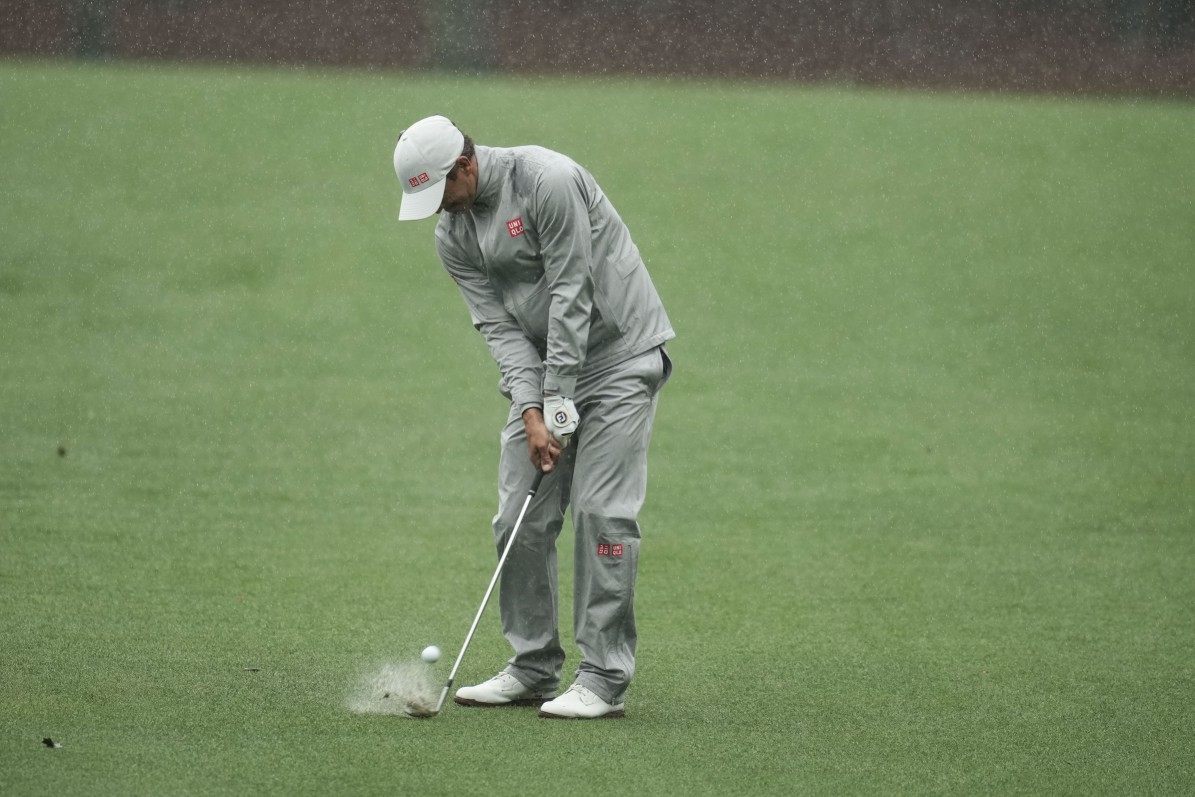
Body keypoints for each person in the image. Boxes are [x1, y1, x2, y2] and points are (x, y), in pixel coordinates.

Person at [393, 115, 674, 720]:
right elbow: (499, 328)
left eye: (437, 191)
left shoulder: (548, 180)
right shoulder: (452, 235)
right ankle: (532, 666)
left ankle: (602, 677)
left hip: (621, 358)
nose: (437, 208)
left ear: (463, 166)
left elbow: (574, 289)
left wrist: (561, 399)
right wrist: (532, 410)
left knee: (603, 514)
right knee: (517, 515)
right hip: (549, 378)